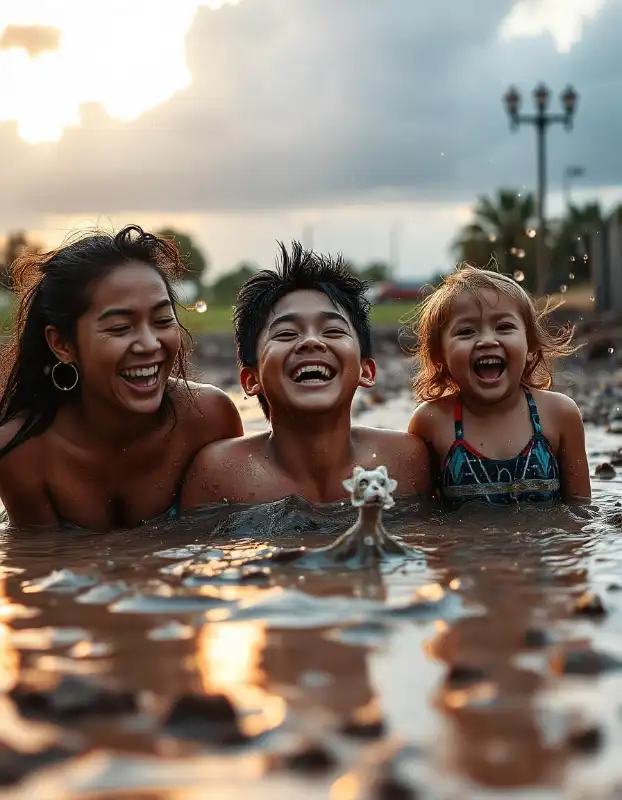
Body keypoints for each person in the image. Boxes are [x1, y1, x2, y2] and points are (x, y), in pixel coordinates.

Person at [0, 225, 242, 529]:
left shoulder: (207, 418)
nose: (149, 344)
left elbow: (229, 542)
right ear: (61, 344)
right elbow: (42, 565)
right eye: (119, 328)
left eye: (162, 320)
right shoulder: (23, 451)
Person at [181, 242, 430, 507]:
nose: (311, 341)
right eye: (286, 333)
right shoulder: (221, 475)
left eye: (333, 331)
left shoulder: (404, 462)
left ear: (366, 371)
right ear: (251, 380)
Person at [407, 264, 591, 507]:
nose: (486, 340)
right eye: (466, 331)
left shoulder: (559, 414)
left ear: (531, 346)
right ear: (440, 356)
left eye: (504, 327)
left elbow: (582, 511)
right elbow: (423, 519)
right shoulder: (432, 422)